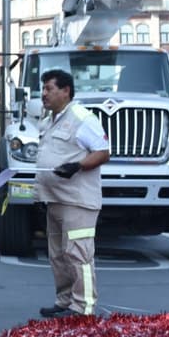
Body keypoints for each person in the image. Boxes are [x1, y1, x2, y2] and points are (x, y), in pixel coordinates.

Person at [35, 69, 110, 318]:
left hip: (77, 200)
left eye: (49, 89)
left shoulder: (81, 117)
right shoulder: (48, 121)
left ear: (66, 91)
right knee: (58, 255)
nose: (43, 94)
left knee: (78, 253)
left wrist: (78, 166)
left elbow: (103, 151)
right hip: (55, 199)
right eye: (43, 89)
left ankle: (83, 307)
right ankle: (65, 301)